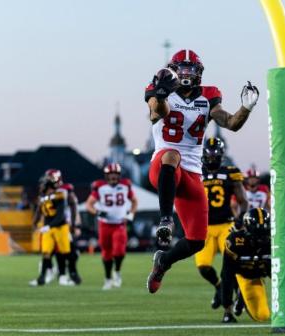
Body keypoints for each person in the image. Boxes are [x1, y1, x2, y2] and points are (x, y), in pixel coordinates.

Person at [144, 49, 259, 293]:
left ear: (199, 73)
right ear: (173, 70)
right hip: (163, 166)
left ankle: (163, 261)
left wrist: (246, 108)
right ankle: (166, 220)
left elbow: (230, 123)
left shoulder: (208, 96)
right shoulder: (159, 85)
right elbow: (156, 113)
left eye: (191, 69)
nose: (186, 73)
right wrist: (162, 94)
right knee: (172, 154)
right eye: (182, 68)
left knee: (197, 241)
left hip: (192, 173)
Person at [196, 137, 248, 308]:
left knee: (230, 264)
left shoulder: (230, 172)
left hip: (226, 224)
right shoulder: (197, 171)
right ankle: (219, 287)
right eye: (209, 154)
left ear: (220, 154)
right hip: (204, 227)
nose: (211, 157)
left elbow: (243, 201)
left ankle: (234, 298)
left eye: (214, 154)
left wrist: (240, 219)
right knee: (203, 266)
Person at [86, 163, 138, 290]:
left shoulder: (125, 185)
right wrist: (97, 212)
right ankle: (108, 278)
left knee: (119, 251)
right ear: (106, 176)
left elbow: (135, 201)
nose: (113, 177)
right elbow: (89, 204)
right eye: (111, 175)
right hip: (104, 224)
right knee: (106, 252)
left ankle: (117, 272)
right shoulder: (100, 186)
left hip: (120, 223)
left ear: (119, 175)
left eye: (115, 174)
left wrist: (131, 214)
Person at [30, 169, 77, 286]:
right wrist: (35, 223)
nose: (41, 185)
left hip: (61, 226)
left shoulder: (62, 193)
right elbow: (39, 210)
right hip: (49, 227)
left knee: (67, 253)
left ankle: (67, 275)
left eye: (45, 181)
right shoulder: (43, 196)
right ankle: (44, 277)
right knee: (46, 252)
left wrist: (74, 224)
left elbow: (66, 211)